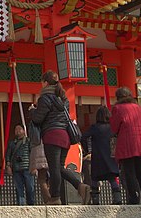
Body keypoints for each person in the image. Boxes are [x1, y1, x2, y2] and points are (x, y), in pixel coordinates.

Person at [31, 70, 91, 205]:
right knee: (59, 167)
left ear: (45, 83)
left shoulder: (44, 98)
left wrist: (33, 111)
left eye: (42, 82)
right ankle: (80, 186)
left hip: (52, 136)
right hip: (65, 137)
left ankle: (55, 197)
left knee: (54, 168)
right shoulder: (63, 99)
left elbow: (38, 119)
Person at [110, 87, 141, 205]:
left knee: (129, 172)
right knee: (140, 172)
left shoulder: (118, 108)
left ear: (118, 97)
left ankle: (134, 197)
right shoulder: (138, 108)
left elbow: (114, 128)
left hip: (127, 143)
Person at [82, 106, 121, 205]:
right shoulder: (112, 128)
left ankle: (96, 200)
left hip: (98, 157)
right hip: (111, 157)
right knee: (112, 179)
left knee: (95, 178)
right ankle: (117, 199)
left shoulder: (95, 127)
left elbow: (83, 137)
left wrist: (87, 150)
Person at [5, 124, 34, 205]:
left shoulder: (29, 141)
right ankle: (21, 205)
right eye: (16, 129)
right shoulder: (12, 143)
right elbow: (8, 156)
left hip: (27, 168)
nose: (17, 131)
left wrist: (34, 166)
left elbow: (32, 154)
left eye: (19, 129)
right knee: (18, 188)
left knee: (30, 187)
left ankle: (31, 205)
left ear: (24, 130)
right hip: (16, 169)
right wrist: (8, 166)